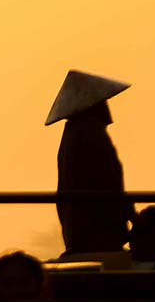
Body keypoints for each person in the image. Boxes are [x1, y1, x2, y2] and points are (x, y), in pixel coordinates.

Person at [48, 70, 135, 256]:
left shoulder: (73, 134)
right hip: (97, 229)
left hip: (80, 231)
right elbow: (110, 180)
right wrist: (131, 215)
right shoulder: (90, 133)